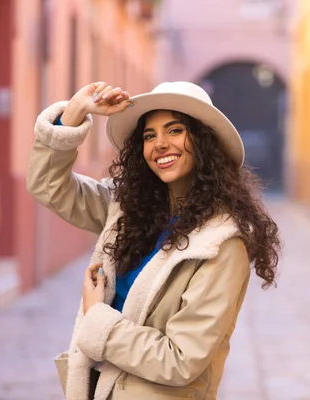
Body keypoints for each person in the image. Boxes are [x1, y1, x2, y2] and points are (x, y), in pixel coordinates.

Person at [27, 81, 281, 400]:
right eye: (149, 135)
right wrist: (75, 113)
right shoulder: (128, 209)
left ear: (204, 143)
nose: (159, 144)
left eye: (174, 131)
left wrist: (98, 320)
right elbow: (48, 187)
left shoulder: (222, 243)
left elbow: (180, 361)